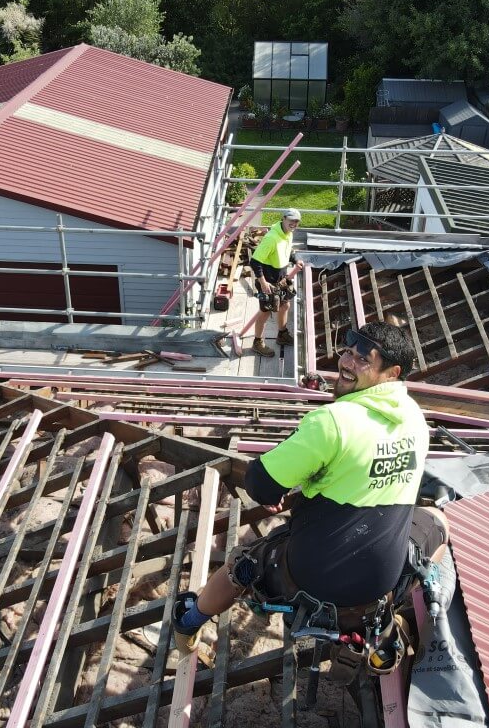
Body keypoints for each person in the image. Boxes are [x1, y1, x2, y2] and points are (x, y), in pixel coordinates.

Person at [172, 322, 448, 664]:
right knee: (436, 522)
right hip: (379, 583)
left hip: (314, 576)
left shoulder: (334, 420)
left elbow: (260, 483)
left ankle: (189, 620)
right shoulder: (415, 420)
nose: (346, 362)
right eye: (347, 351)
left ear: (391, 373)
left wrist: (290, 480)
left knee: (241, 565)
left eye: (363, 358)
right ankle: (398, 610)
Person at [248, 208, 305, 357]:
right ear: (284, 218)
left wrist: (295, 259)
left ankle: (282, 335)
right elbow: (254, 262)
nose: (294, 223)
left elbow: (288, 250)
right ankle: (257, 342)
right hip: (268, 282)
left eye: (296, 221)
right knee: (265, 312)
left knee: (285, 305)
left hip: (281, 279)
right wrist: (263, 283)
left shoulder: (288, 234)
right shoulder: (272, 238)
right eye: (291, 220)